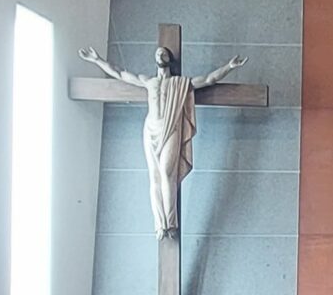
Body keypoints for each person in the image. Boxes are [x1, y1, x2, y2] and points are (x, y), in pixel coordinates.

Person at [78, 43, 246, 239]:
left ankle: (171, 223)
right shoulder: (147, 81)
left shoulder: (180, 83)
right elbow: (120, 73)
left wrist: (229, 67)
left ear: (168, 59)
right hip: (151, 130)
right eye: (158, 52)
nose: (160, 53)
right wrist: (97, 60)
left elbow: (209, 79)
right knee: (154, 177)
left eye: (164, 52)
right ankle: (160, 225)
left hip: (171, 128)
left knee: (167, 174)